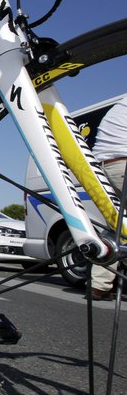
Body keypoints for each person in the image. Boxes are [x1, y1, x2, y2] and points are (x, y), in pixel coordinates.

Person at [87, 95, 127, 301]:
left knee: (114, 226)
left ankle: (98, 285)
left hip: (102, 165)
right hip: (123, 160)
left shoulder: (121, 103)